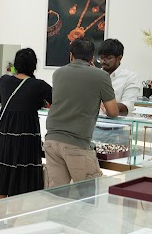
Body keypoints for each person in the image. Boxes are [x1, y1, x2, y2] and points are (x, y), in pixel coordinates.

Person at [44, 38, 119, 188]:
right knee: (88, 194)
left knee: (57, 194)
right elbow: (112, 111)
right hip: (77, 143)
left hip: (51, 141)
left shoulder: (58, 73)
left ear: (71, 55)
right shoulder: (101, 76)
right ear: (92, 58)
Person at [0, 48, 53, 199]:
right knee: (21, 181)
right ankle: (15, 215)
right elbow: (56, 102)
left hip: (4, 134)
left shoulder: (4, 80)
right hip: (26, 137)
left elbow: (0, 98)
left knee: (1, 180)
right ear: (34, 66)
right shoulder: (38, 85)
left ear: (16, 64)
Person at [98, 38, 138, 116]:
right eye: (101, 58)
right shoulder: (96, 75)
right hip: (94, 121)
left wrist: (109, 107)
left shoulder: (130, 78)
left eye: (109, 58)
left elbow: (128, 105)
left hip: (117, 122)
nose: (103, 61)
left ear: (119, 58)